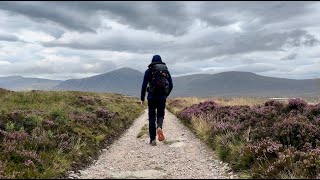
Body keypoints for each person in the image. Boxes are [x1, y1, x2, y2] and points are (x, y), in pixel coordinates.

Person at [141, 55, 173, 146]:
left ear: (152, 61)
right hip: (162, 97)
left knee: (151, 117)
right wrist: (165, 95)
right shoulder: (165, 71)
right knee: (160, 114)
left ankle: (153, 139)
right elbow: (171, 85)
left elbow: (144, 85)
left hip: (151, 97)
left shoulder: (149, 71)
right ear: (161, 61)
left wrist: (142, 98)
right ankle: (159, 126)